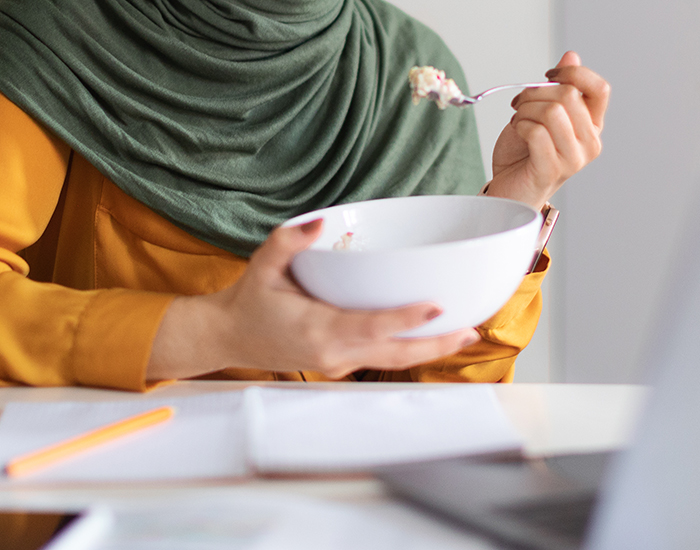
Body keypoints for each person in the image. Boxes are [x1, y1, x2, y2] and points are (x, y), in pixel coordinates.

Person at [0, 0, 609, 391]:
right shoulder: (46, 36)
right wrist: (213, 331)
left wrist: (512, 206)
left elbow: (430, 399)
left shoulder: (409, 69)